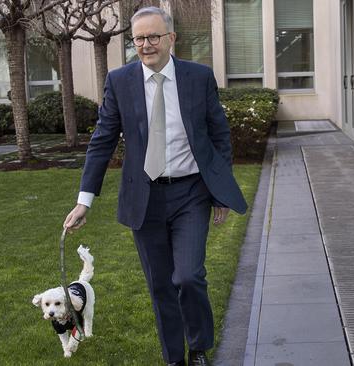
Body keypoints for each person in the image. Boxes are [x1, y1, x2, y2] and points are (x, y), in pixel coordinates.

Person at [63, 6, 247, 366]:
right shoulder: (120, 81)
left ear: (171, 39)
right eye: (138, 39)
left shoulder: (198, 77)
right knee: (161, 284)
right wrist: (85, 200)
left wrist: (219, 190)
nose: (145, 45)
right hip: (144, 198)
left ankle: (198, 347)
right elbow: (102, 140)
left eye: (153, 37)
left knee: (189, 276)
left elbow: (218, 135)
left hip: (191, 192)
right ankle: (173, 358)